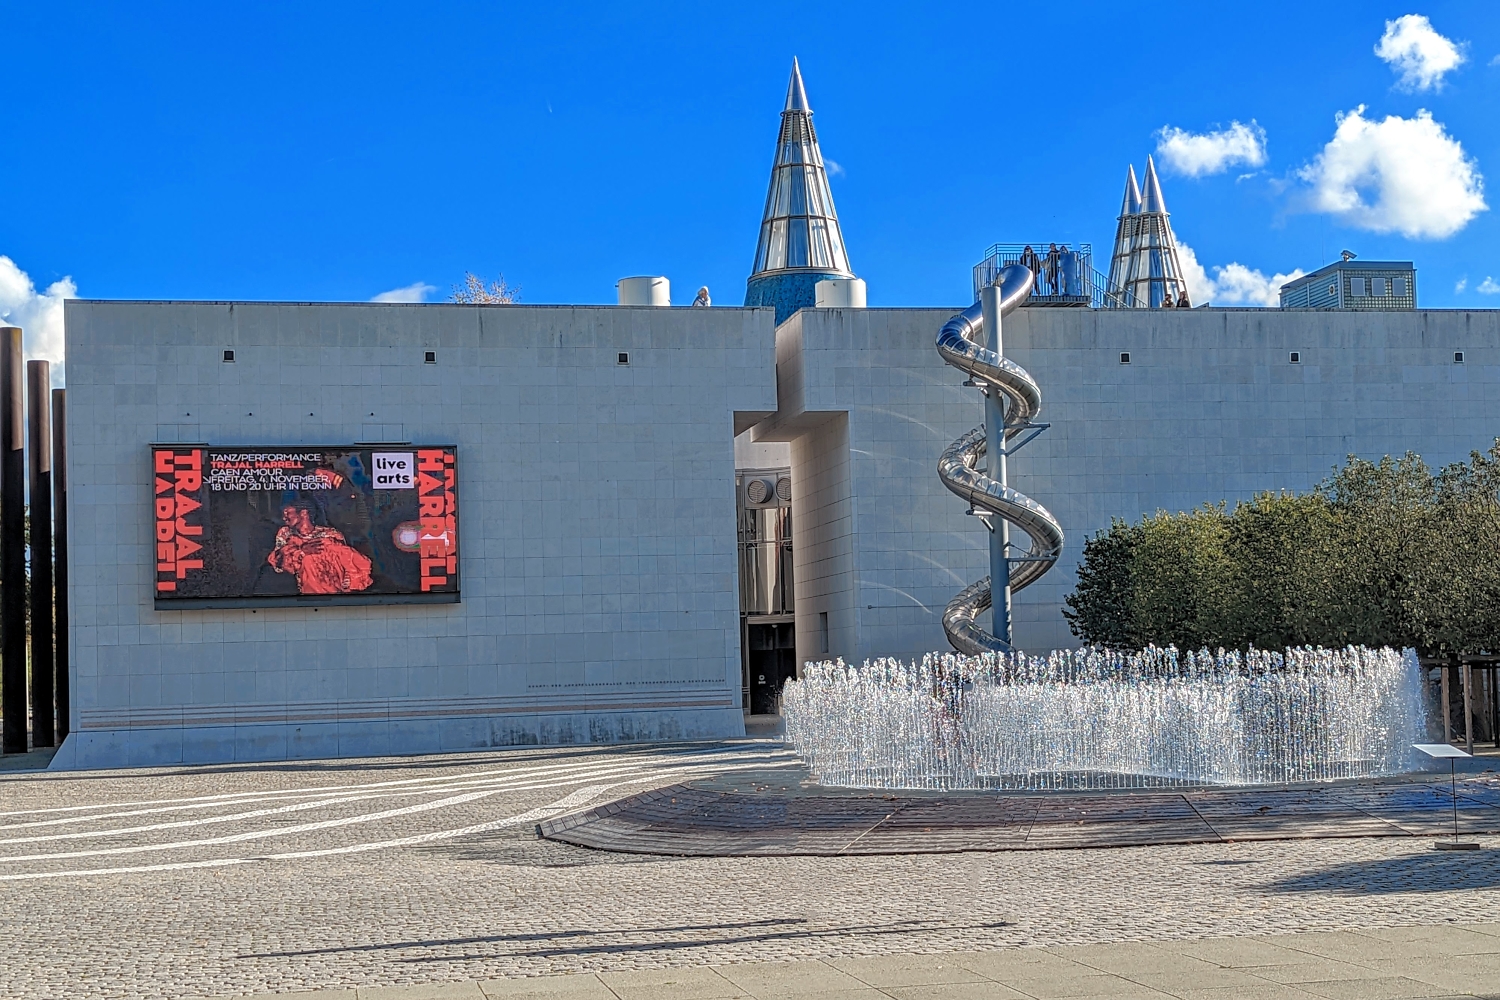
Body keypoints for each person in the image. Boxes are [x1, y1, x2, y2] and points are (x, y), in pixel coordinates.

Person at [267, 501, 374, 595]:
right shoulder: (285, 534)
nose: (284, 517)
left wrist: (349, 579)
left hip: (333, 593)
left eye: (288, 513)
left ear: (304, 513)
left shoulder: (330, 535)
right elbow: (278, 565)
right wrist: (301, 552)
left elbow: (348, 559)